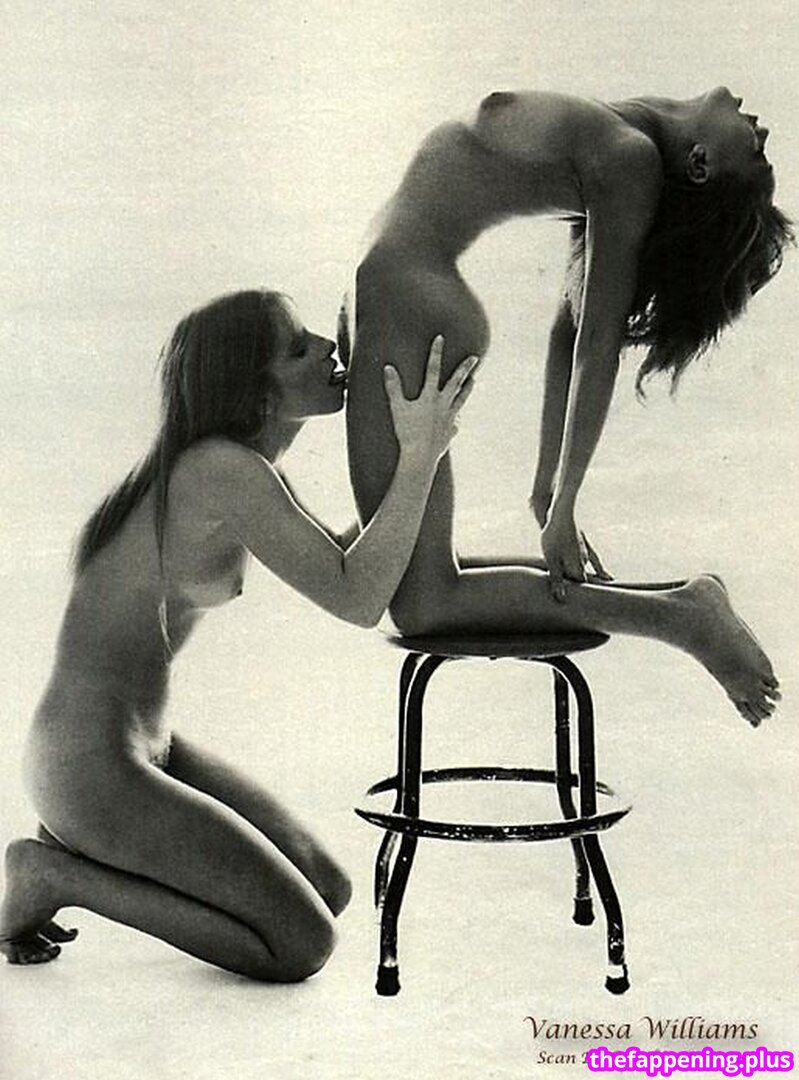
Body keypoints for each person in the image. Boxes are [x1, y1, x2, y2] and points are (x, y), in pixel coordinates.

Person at [0, 289, 479, 973]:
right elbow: (358, 598)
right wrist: (419, 458)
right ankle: (56, 875)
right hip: (90, 766)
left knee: (329, 891)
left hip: (143, 747)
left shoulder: (242, 469)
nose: (328, 348)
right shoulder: (218, 470)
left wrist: (419, 457)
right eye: (299, 348)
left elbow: (353, 561)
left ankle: (79, 856)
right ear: (254, 394)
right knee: (302, 945)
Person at [344, 86, 790, 727]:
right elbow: (570, 326)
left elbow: (597, 346)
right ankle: (680, 607)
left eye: (755, 152)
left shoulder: (629, 155)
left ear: (701, 163)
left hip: (408, 294)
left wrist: (567, 500)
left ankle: (683, 619)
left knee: (420, 604)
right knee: (421, 584)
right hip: (403, 287)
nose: (762, 129)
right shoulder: (627, 137)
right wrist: (545, 488)